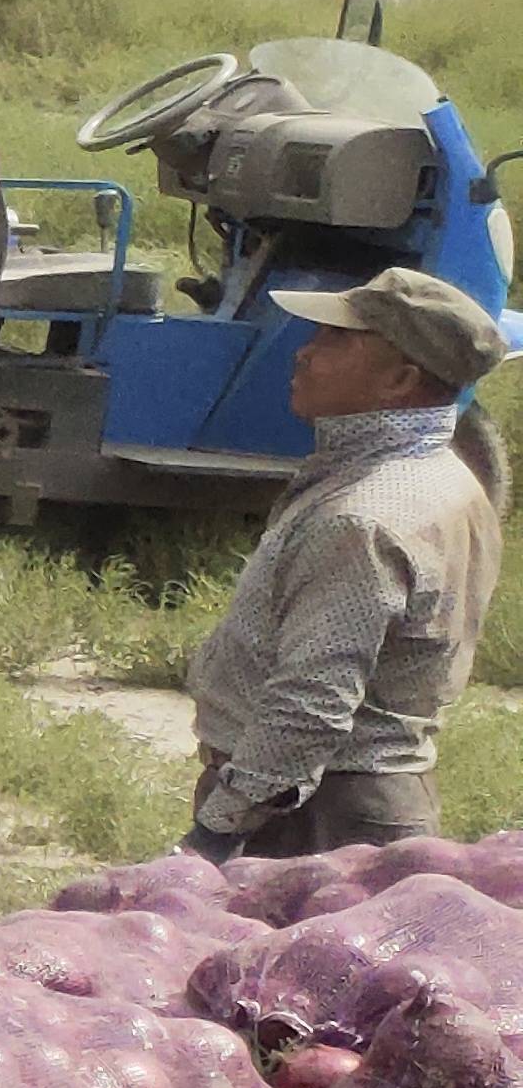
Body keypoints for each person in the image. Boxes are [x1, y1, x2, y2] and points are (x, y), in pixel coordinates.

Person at [184, 263, 507, 861]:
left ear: (401, 380)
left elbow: (311, 703)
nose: (305, 352)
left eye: (336, 340)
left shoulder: (359, 517)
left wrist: (216, 833)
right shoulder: (448, 476)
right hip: (368, 800)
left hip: (314, 819)